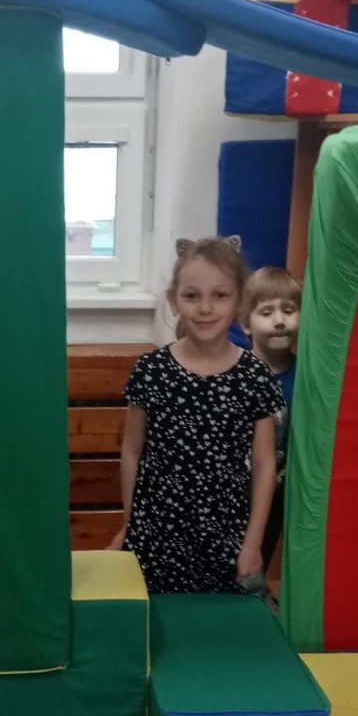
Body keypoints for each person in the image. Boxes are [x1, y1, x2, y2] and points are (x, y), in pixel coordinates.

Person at [109, 236, 285, 594]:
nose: (206, 308)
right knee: (159, 622)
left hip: (224, 540)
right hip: (156, 537)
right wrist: (130, 522)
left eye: (220, 295)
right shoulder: (151, 371)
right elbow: (132, 450)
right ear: (174, 300)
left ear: (239, 301)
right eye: (192, 296)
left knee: (215, 624)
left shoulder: (254, 377)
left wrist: (253, 543)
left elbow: (264, 464)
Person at [241, 266, 301, 572]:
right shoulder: (237, 374)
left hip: (287, 489)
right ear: (246, 323)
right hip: (241, 489)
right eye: (267, 312)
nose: (279, 321)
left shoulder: (306, 375)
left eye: (288, 311)